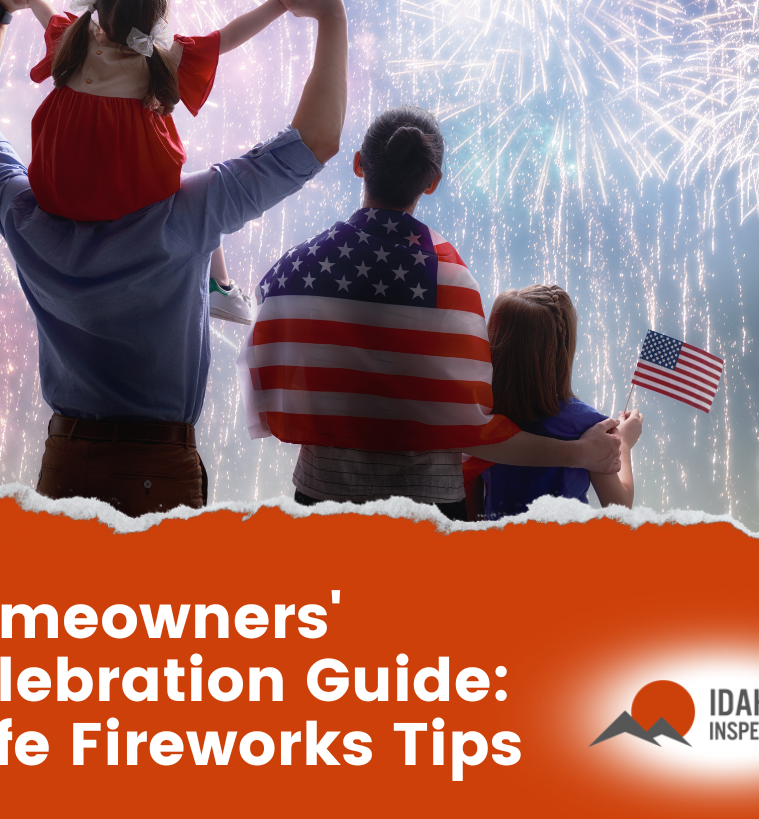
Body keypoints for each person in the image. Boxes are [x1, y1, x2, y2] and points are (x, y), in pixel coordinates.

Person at [0, 0, 347, 517]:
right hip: (156, 473)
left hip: (64, 464)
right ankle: (221, 289)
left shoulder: (24, 215)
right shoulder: (188, 215)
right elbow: (314, 141)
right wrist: (331, 17)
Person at [238, 106, 622, 520]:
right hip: (426, 509)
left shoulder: (298, 268)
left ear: (359, 163)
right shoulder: (450, 280)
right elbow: (469, 429)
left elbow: (267, 374)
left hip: (322, 501)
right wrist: (579, 453)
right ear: (432, 181)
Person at [22, 0, 288, 323]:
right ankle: (220, 287)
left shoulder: (75, 37)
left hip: (57, 192)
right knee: (201, 197)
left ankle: (214, 286)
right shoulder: (163, 56)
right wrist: (280, 3)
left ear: (98, 5)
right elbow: (227, 37)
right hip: (130, 203)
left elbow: (49, 15)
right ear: (157, 20)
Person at [473, 285, 643, 518]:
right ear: (564, 351)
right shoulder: (587, 426)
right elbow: (619, 507)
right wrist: (623, 443)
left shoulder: (481, 413)